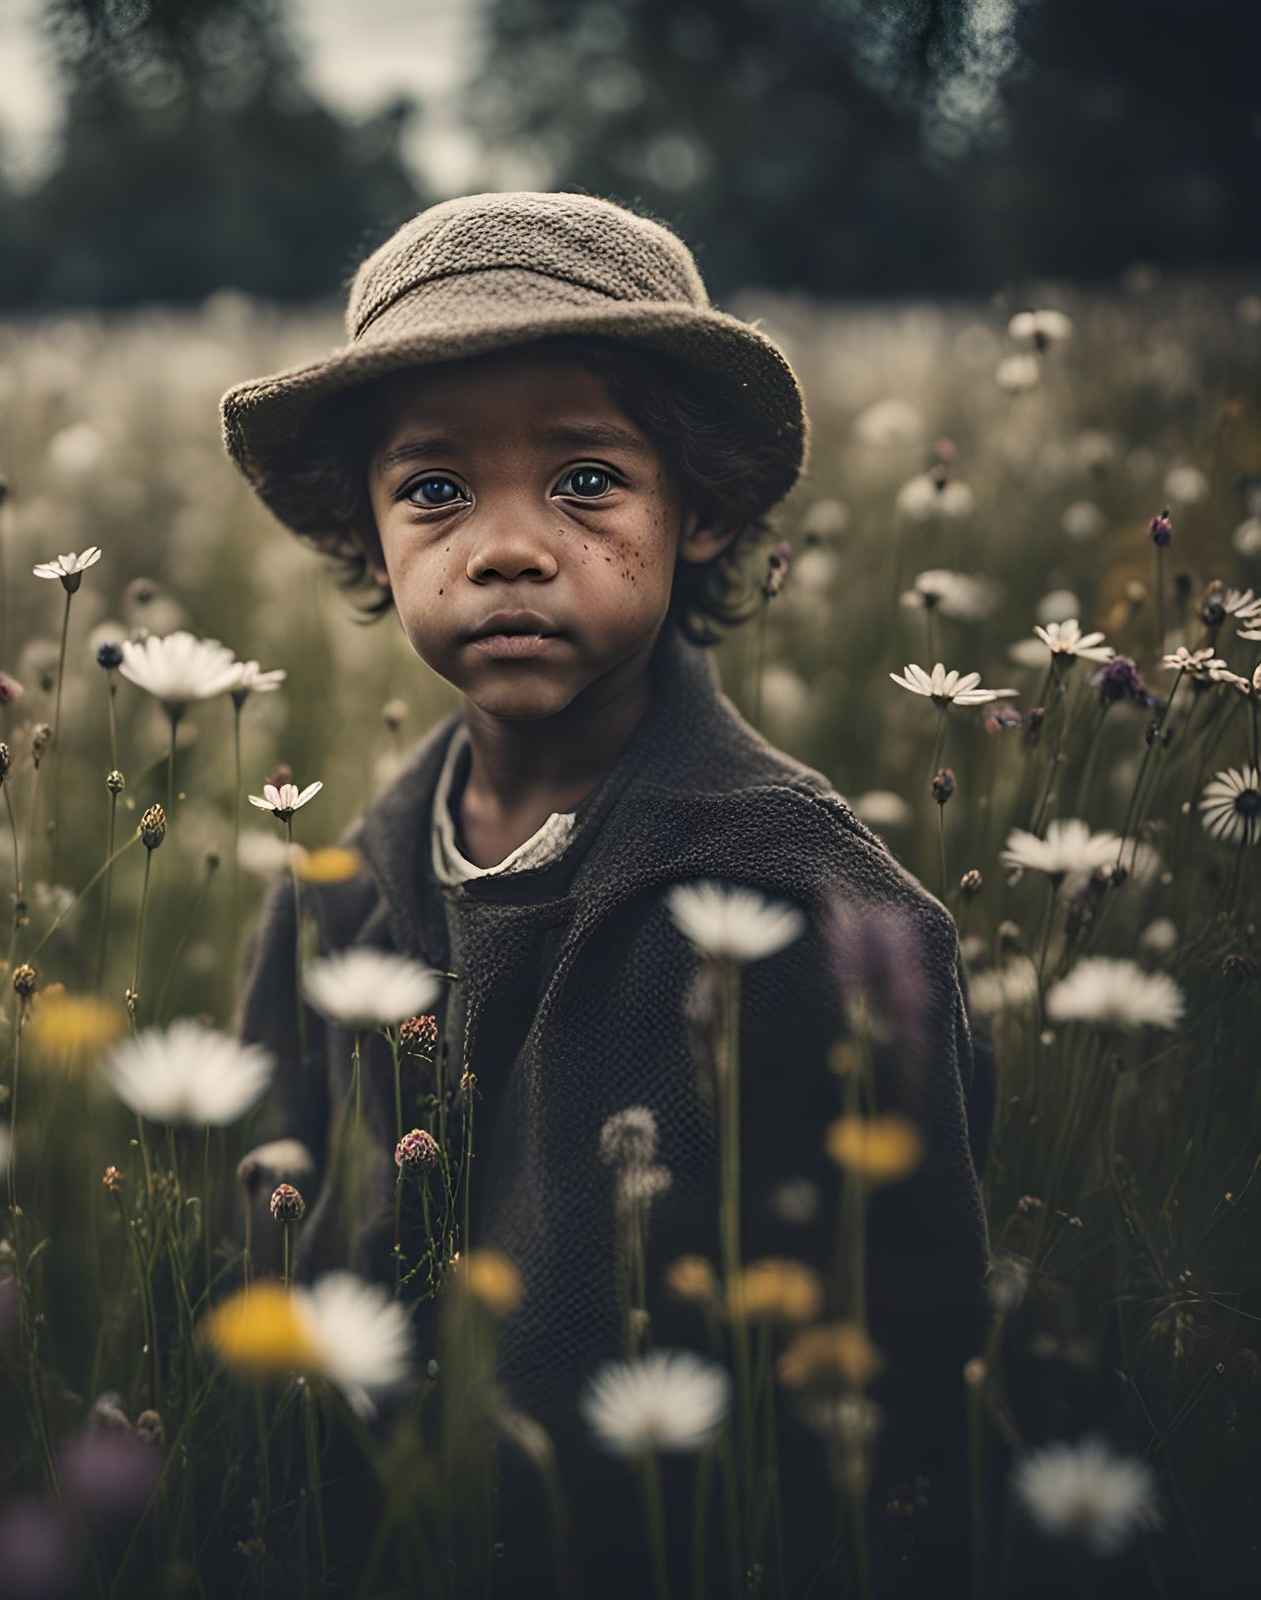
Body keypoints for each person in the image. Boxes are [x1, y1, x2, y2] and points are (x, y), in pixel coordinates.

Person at [218, 191, 996, 1596]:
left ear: (699, 512)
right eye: (434, 488)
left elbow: (915, 1363)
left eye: (585, 479)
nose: (506, 544)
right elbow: (252, 1248)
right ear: (368, 537)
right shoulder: (335, 896)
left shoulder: (825, 918)